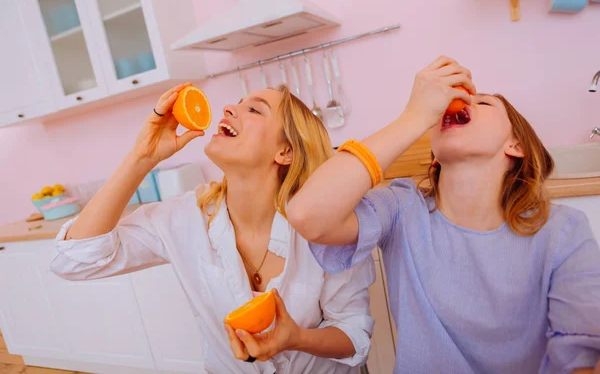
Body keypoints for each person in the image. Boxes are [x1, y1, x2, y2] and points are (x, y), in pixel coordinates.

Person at [287, 56, 600, 374]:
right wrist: (413, 117)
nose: (461, 100)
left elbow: (581, 359)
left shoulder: (562, 231)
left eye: (484, 103)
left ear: (515, 145)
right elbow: (307, 214)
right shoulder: (402, 209)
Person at [50, 83, 375, 374]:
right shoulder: (183, 218)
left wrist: (297, 339)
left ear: (285, 151)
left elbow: (353, 333)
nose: (229, 108)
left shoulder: (326, 226)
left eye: (254, 109)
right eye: (237, 101)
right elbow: (75, 260)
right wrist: (142, 157)